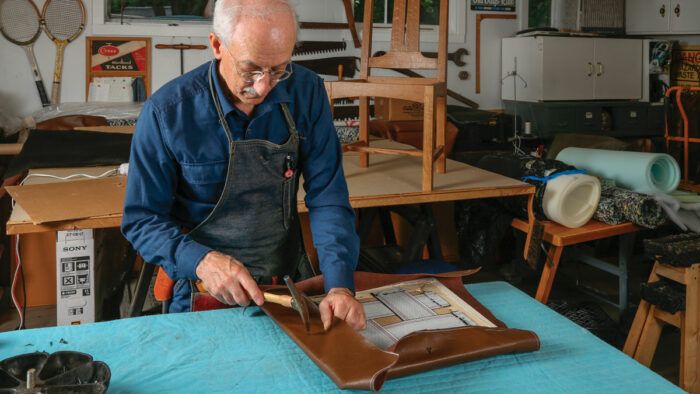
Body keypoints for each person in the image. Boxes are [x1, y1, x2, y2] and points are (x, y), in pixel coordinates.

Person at [121, 0, 365, 330]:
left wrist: (339, 284)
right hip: (201, 292)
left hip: (287, 286)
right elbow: (142, 220)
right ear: (217, 45)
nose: (263, 86)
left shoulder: (307, 93)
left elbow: (328, 196)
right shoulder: (167, 113)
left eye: (279, 69)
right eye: (250, 69)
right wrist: (202, 261)